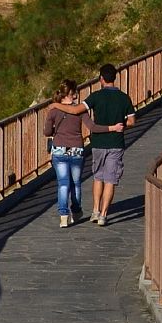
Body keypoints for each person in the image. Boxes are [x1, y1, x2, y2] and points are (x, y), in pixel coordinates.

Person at [85, 63, 135, 226]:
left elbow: (81, 108)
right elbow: (132, 121)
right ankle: (104, 215)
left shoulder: (96, 96)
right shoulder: (124, 97)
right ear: (114, 78)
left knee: (98, 177)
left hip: (98, 142)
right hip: (116, 143)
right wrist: (121, 125)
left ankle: (95, 210)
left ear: (101, 79)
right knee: (110, 180)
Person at [42, 79, 89, 227]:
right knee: (75, 184)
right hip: (76, 150)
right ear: (72, 93)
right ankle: (76, 212)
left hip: (59, 149)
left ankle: (63, 216)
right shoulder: (80, 109)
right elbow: (91, 125)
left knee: (63, 184)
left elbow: (47, 132)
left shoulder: (53, 110)